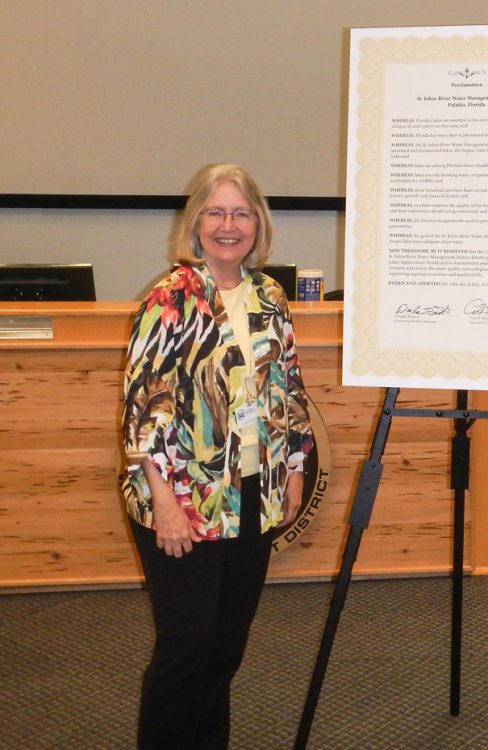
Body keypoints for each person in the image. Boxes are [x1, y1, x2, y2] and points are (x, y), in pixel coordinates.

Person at [121, 163, 314, 749]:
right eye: (216, 212)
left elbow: (289, 388)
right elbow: (143, 410)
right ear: (196, 223)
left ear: (258, 223)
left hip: (252, 492)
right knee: (186, 649)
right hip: (185, 497)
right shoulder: (169, 299)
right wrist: (166, 503)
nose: (228, 225)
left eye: (241, 213)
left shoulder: (269, 296)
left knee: (227, 643)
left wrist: (297, 469)